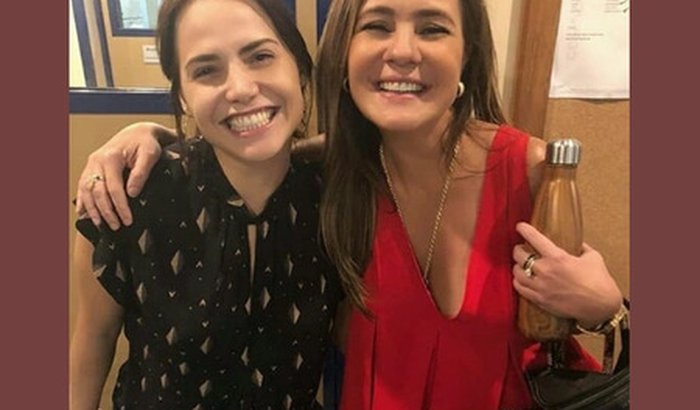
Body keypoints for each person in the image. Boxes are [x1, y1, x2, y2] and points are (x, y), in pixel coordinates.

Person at [74, 0, 625, 408]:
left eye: (432, 28)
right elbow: (91, 343)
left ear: (468, 54)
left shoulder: (531, 171)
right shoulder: (326, 173)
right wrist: (143, 135)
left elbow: (567, 319)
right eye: (377, 25)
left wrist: (609, 311)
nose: (402, 51)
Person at [69, 0, 342, 409]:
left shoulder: (336, 198)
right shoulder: (127, 197)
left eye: (261, 56)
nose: (241, 88)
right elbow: (94, 339)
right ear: (182, 97)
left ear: (300, 70)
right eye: (206, 70)